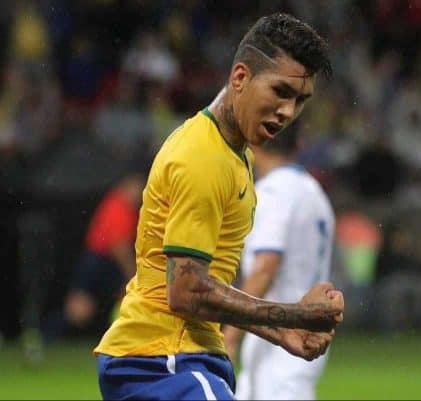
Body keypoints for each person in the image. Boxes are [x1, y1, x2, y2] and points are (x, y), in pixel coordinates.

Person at [94, 13, 344, 401]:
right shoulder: (204, 158)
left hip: (171, 358)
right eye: (280, 91)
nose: (288, 112)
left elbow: (202, 289)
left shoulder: (235, 156)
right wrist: (294, 314)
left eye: (300, 101)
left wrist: (281, 333)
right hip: (164, 360)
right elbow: (186, 291)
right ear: (240, 78)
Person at [222, 121, 336, 400]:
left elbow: (266, 267)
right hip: (301, 332)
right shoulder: (313, 191)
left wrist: (230, 335)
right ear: (298, 145)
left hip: (281, 340)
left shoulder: (275, 192)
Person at [44, 169, 144, 341]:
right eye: (136, 187)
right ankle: (46, 335)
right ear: (125, 185)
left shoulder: (126, 207)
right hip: (98, 262)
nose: (139, 192)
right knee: (80, 310)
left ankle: (122, 340)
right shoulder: (118, 205)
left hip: (103, 262)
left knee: (125, 301)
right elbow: (117, 245)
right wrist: (132, 273)